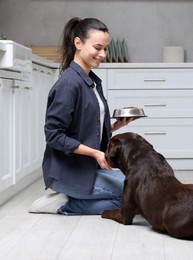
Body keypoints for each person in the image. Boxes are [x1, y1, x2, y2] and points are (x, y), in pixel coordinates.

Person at [29, 17, 134, 215]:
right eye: (97, 48)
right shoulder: (69, 84)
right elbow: (54, 135)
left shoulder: (91, 81)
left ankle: (74, 198)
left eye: (105, 48)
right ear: (78, 43)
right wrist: (95, 152)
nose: (103, 54)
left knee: (137, 188)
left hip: (87, 168)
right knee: (132, 197)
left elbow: (83, 127)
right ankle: (64, 204)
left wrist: (114, 127)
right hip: (66, 173)